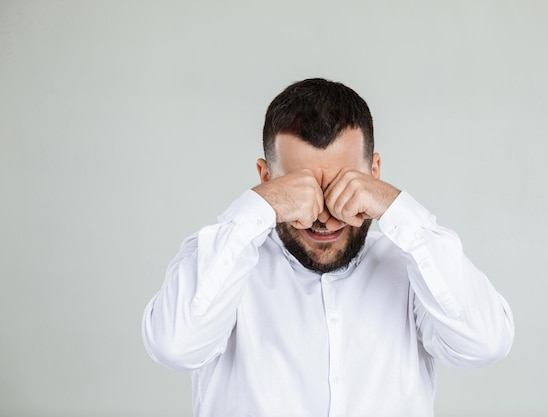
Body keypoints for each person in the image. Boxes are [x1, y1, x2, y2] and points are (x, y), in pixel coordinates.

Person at [142, 78, 514, 417]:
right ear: (266, 179)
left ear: (374, 173)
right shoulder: (221, 261)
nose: (323, 215)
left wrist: (397, 208)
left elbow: (485, 343)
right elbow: (174, 346)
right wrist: (256, 209)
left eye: (343, 185)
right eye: (299, 189)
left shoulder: (414, 265)